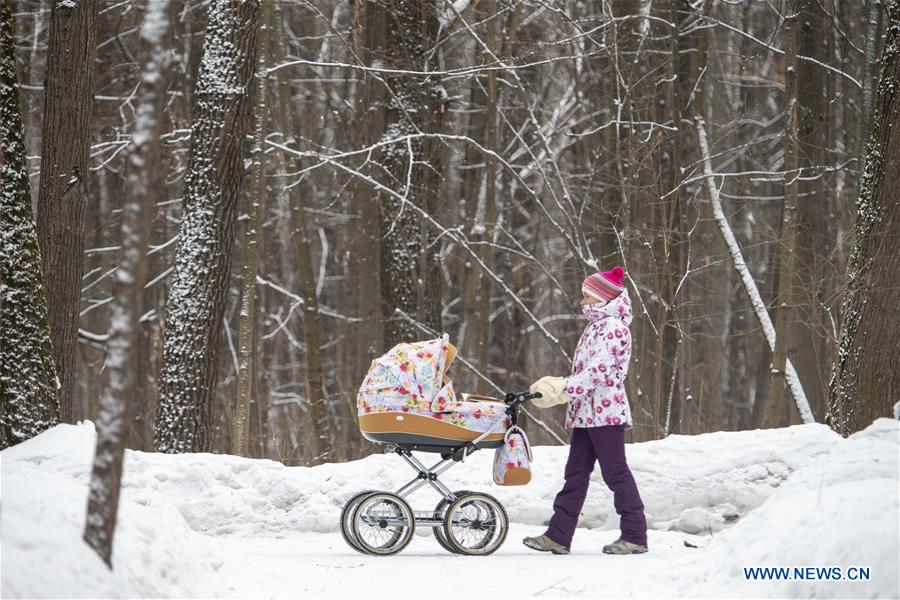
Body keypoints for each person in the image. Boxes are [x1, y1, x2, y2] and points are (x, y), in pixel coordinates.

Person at [522, 266, 648, 555]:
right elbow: (587, 372)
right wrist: (566, 389)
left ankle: (635, 535)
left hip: (605, 412)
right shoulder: (596, 327)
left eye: (588, 296)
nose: (583, 302)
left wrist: (564, 388)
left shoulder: (614, 328)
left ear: (603, 298)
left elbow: (600, 372)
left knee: (615, 473)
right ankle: (558, 536)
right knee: (575, 473)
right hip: (585, 412)